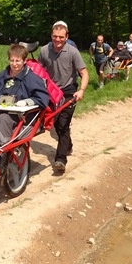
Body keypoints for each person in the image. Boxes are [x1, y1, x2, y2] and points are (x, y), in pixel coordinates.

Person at [0, 44, 50, 178]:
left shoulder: (32, 78)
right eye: (12, 60)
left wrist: (27, 102)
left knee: (4, 119)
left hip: (22, 120)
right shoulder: (1, 76)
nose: (14, 64)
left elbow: (43, 98)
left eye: (18, 61)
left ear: (24, 61)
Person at [39, 20, 89, 173]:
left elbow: (84, 73)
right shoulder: (44, 51)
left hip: (68, 92)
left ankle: (60, 160)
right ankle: (68, 145)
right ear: (51, 36)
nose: (58, 40)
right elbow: (39, 71)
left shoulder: (72, 51)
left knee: (63, 124)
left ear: (66, 37)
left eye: (61, 37)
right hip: (51, 92)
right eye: (55, 36)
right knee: (57, 124)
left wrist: (81, 90)